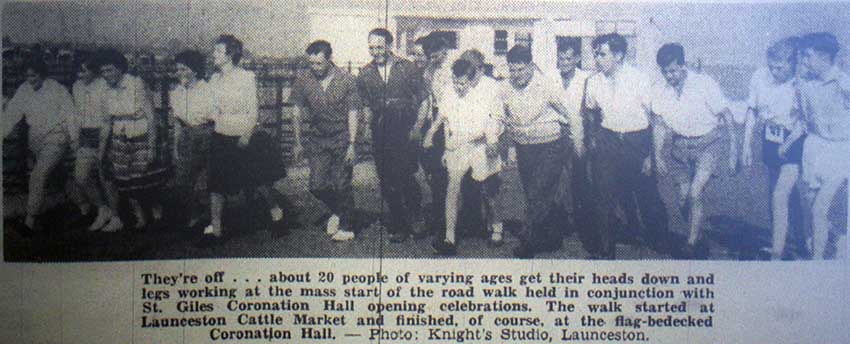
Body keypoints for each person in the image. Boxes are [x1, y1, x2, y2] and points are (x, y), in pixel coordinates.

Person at [583, 33, 673, 259]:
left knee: (646, 195)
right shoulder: (593, 82)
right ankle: (606, 249)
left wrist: (651, 156)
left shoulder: (639, 79)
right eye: (596, 54)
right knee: (603, 196)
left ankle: (657, 239)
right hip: (608, 142)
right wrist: (593, 140)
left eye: (602, 54)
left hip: (637, 142)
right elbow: (591, 112)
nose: (597, 59)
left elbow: (656, 118)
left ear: (619, 55)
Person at [650, 43, 736, 258]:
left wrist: (734, 148)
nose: (669, 76)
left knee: (695, 193)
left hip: (708, 144)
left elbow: (726, 115)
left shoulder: (703, 84)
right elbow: (659, 124)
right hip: (679, 147)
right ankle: (696, 231)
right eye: (665, 72)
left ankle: (691, 243)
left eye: (673, 71)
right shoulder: (661, 90)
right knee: (683, 199)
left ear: (683, 65)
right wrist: (658, 153)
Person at [500, 46, 576, 259]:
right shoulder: (505, 87)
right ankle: (552, 237)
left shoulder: (547, 85)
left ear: (531, 66)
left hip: (550, 146)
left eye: (521, 70)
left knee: (537, 191)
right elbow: (502, 116)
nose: (516, 75)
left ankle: (528, 241)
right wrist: (510, 146)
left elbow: (567, 112)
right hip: (524, 147)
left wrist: (575, 139)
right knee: (536, 194)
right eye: (512, 70)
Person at [424, 58, 503, 255]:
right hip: (458, 147)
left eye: (462, 83)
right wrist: (432, 135)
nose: (458, 86)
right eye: (455, 81)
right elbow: (443, 119)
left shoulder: (484, 95)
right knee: (453, 187)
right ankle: (449, 237)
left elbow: (491, 123)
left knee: (487, 191)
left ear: (472, 79)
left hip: (480, 146)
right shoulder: (449, 92)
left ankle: (496, 224)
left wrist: (488, 141)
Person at [357, 28, 425, 243]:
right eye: (371, 47)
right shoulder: (365, 73)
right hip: (381, 129)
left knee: (405, 174)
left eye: (378, 47)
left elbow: (423, 99)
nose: (374, 52)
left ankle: (415, 214)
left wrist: (418, 126)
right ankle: (399, 221)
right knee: (386, 178)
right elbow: (366, 105)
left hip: (404, 127)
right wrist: (367, 128)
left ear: (389, 46)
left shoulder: (407, 68)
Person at [741, 37, 806, 260]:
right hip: (770, 138)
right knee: (780, 195)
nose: (774, 71)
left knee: (780, 194)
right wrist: (746, 145)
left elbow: (805, 121)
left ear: (792, 64)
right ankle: (797, 239)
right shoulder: (760, 76)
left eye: (780, 67)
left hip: (794, 139)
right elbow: (752, 111)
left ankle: (777, 252)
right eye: (771, 66)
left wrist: (788, 144)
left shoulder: (801, 83)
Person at [290, 40, 360, 241]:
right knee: (316, 185)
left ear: (329, 59)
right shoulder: (303, 80)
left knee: (341, 183)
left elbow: (353, 112)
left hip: (341, 137)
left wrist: (352, 144)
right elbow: (296, 112)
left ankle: (347, 227)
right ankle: (340, 210)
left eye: (319, 63)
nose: (315, 68)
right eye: (311, 63)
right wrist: (297, 142)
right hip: (318, 140)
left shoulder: (346, 80)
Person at [96, 48, 166, 232]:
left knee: (143, 178)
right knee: (125, 181)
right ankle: (139, 217)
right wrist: (101, 152)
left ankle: (155, 209)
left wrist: (152, 146)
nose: (106, 75)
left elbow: (151, 117)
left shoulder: (136, 84)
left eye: (109, 70)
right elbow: (106, 123)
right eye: (102, 71)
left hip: (141, 135)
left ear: (120, 68)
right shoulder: (104, 92)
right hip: (120, 138)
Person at [3, 58, 75, 234]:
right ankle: (86, 208)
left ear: (43, 75)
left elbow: (70, 115)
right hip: (35, 140)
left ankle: (30, 221)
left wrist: (74, 140)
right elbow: (11, 115)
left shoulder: (57, 89)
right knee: (60, 177)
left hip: (56, 138)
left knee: (38, 175)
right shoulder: (24, 90)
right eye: (27, 75)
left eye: (34, 76)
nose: (30, 79)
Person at [202, 35, 263, 242]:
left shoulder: (247, 77)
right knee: (216, 183)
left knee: (254, 180)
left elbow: (253, 111)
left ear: (230, 55)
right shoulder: (214, 79)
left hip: (242, 135)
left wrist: (246, 135)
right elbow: (211, 109)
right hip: (220, 135)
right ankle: (217, 228)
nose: (214, 55)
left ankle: (269, 213)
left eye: (218, 51)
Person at [794, 32, 849, 259]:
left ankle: (816, 264)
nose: (804, 61)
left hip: (839, 151)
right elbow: (804, 120)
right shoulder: (804, 84)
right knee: (810, 205)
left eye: (808, 56)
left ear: (825, 57)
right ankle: (833, 237)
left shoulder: (844, 83)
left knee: (819, 209)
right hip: (813, 150)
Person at [554, 37, 594, 251]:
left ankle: (582, 221)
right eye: (561, 58)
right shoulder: (552, 77)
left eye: (569, 58)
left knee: (580, 178)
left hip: (579, 133)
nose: (564, 62)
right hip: (557, 133)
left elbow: (587, 113)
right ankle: (565, 220)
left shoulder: (585, 79)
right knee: (559, 179)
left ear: (577, 58)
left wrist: (581, 139)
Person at [411, 33, 452, 238]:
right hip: (433, 121)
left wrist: (432, 130)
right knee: (433, 172)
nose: (434, 58)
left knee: (444, 174)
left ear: (444, 51)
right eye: (431, 55)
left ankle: (446, 222)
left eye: (437, 55)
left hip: (448, 124)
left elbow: (448, 106)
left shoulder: (450, 71)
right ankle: (438, 217)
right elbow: (428, 100)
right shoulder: (428, 71)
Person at [169, 50, 213, 229]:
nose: (179, 73)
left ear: (195, 70)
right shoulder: (177, 92)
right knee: (181, 181)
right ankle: (195, 213)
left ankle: (212, 218)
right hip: (186, 136)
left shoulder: (208, 89)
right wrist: (175, 147)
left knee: (205, 183)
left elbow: (216, 118)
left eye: (183, 69)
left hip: (207, 135)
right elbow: (178, 123)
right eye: (177, 69)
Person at [69, 57, 111, 230]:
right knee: (81, 177)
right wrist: (75, 138)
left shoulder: (104, 85)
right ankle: (102, 208)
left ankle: (125, 212)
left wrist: (103, 143)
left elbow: (107, 117)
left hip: (104, 134)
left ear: (94, 70)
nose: (81, 74)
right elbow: (76, 115)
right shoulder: (76, 86)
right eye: (78, 71)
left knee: (107, 178)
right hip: (85, 136)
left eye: (84, 70)